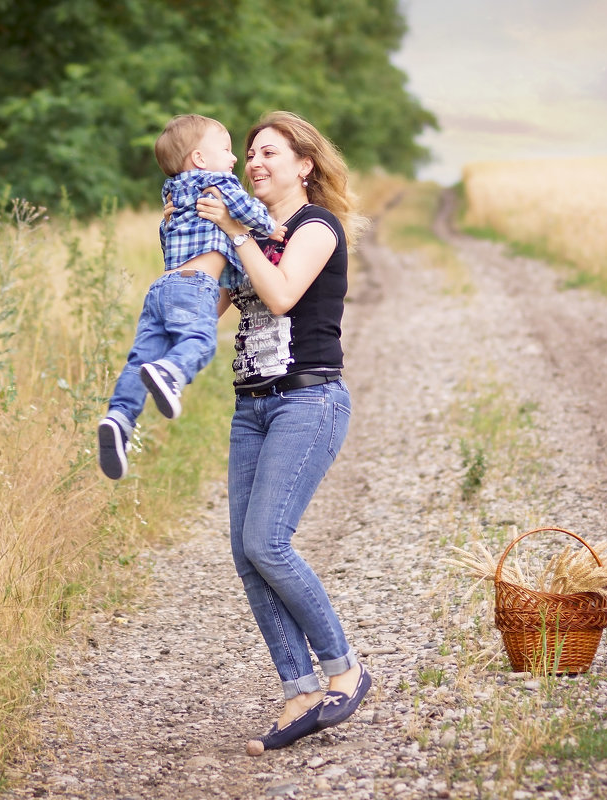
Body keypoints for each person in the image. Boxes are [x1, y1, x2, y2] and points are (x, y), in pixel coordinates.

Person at [195, 110, 371, 754]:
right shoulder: (245, 234)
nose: (254, 162)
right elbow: (202, 310)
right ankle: (299, 689)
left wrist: (237, 232)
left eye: (270, 152)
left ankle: (344, 669)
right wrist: (189, 244)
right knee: (247, 555)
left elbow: (280, 294)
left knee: (268, 542)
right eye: (248, 154)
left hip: (309, 400)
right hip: (253, 408)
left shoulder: (315, 227)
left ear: (305, 166)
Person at [97, 114, 276, 480]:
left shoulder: (173, 192)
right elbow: (248, 212)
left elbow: (169, 238)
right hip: (195, 285)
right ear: (199, 158)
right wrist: (273, 227)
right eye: (226, 150)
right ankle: (172, 371)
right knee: (199, 340)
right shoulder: (218, 184)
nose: (234, 159)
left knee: (139, 359)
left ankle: (119, 418)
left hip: (162, 288)